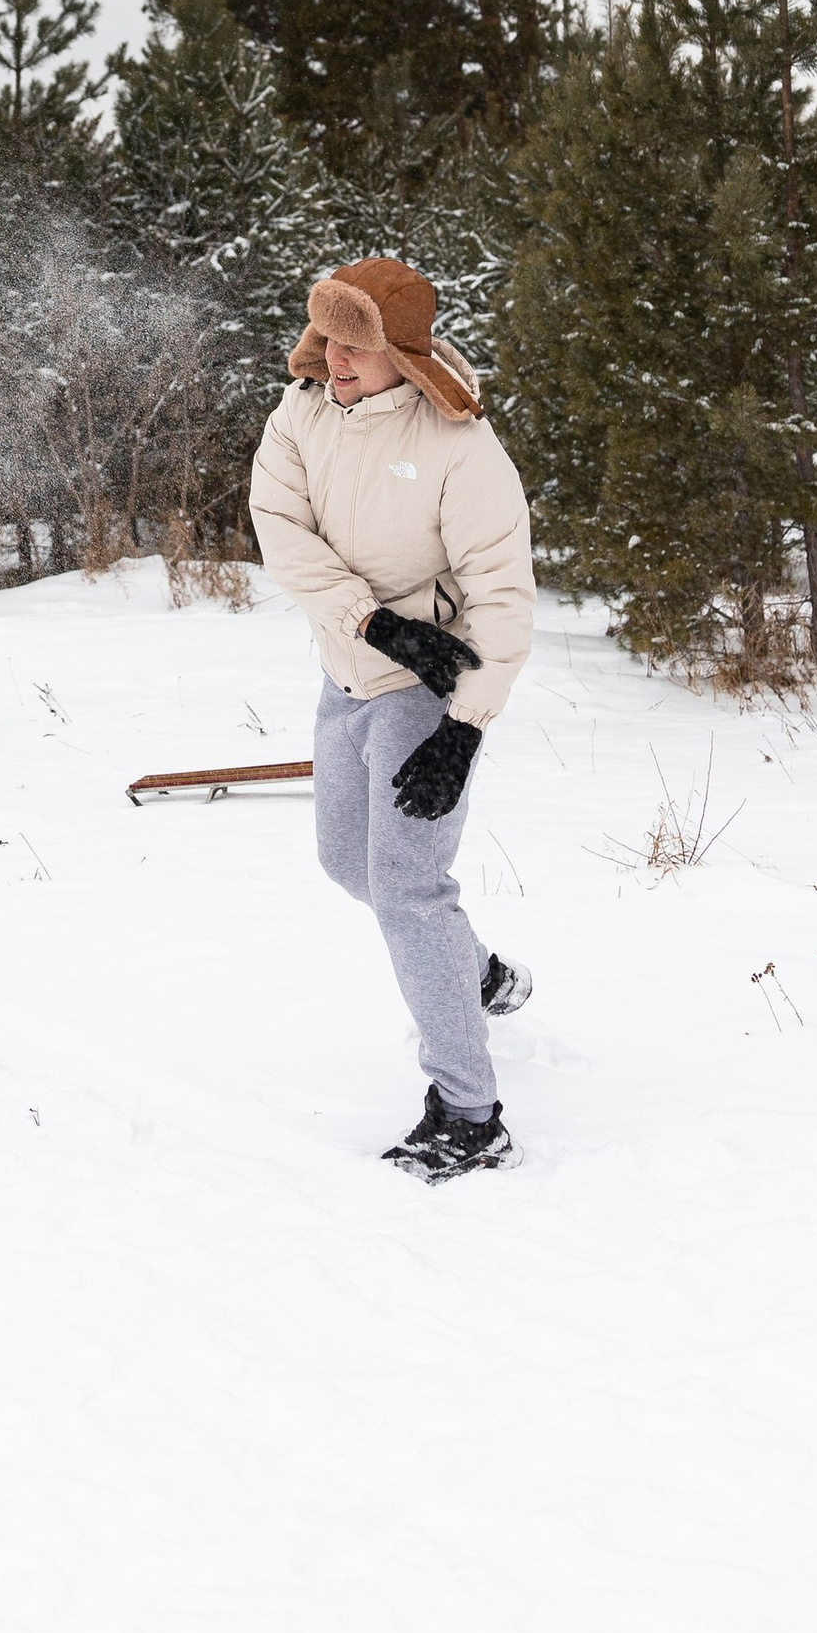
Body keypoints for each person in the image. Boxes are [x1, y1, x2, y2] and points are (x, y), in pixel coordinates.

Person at [250, 260, 537, 1184]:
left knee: (408, 888)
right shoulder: (299, 413)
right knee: (347, 863)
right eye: (328, 336)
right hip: (353, 668)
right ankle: (477, 975)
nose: (334, 357)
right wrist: (370, 622)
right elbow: (279, 529)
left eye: (356, 343)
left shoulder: (460, 446)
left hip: (434, 684)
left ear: (402, 354)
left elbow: (502, 594)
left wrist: (466, 727)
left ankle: (469, 1113)